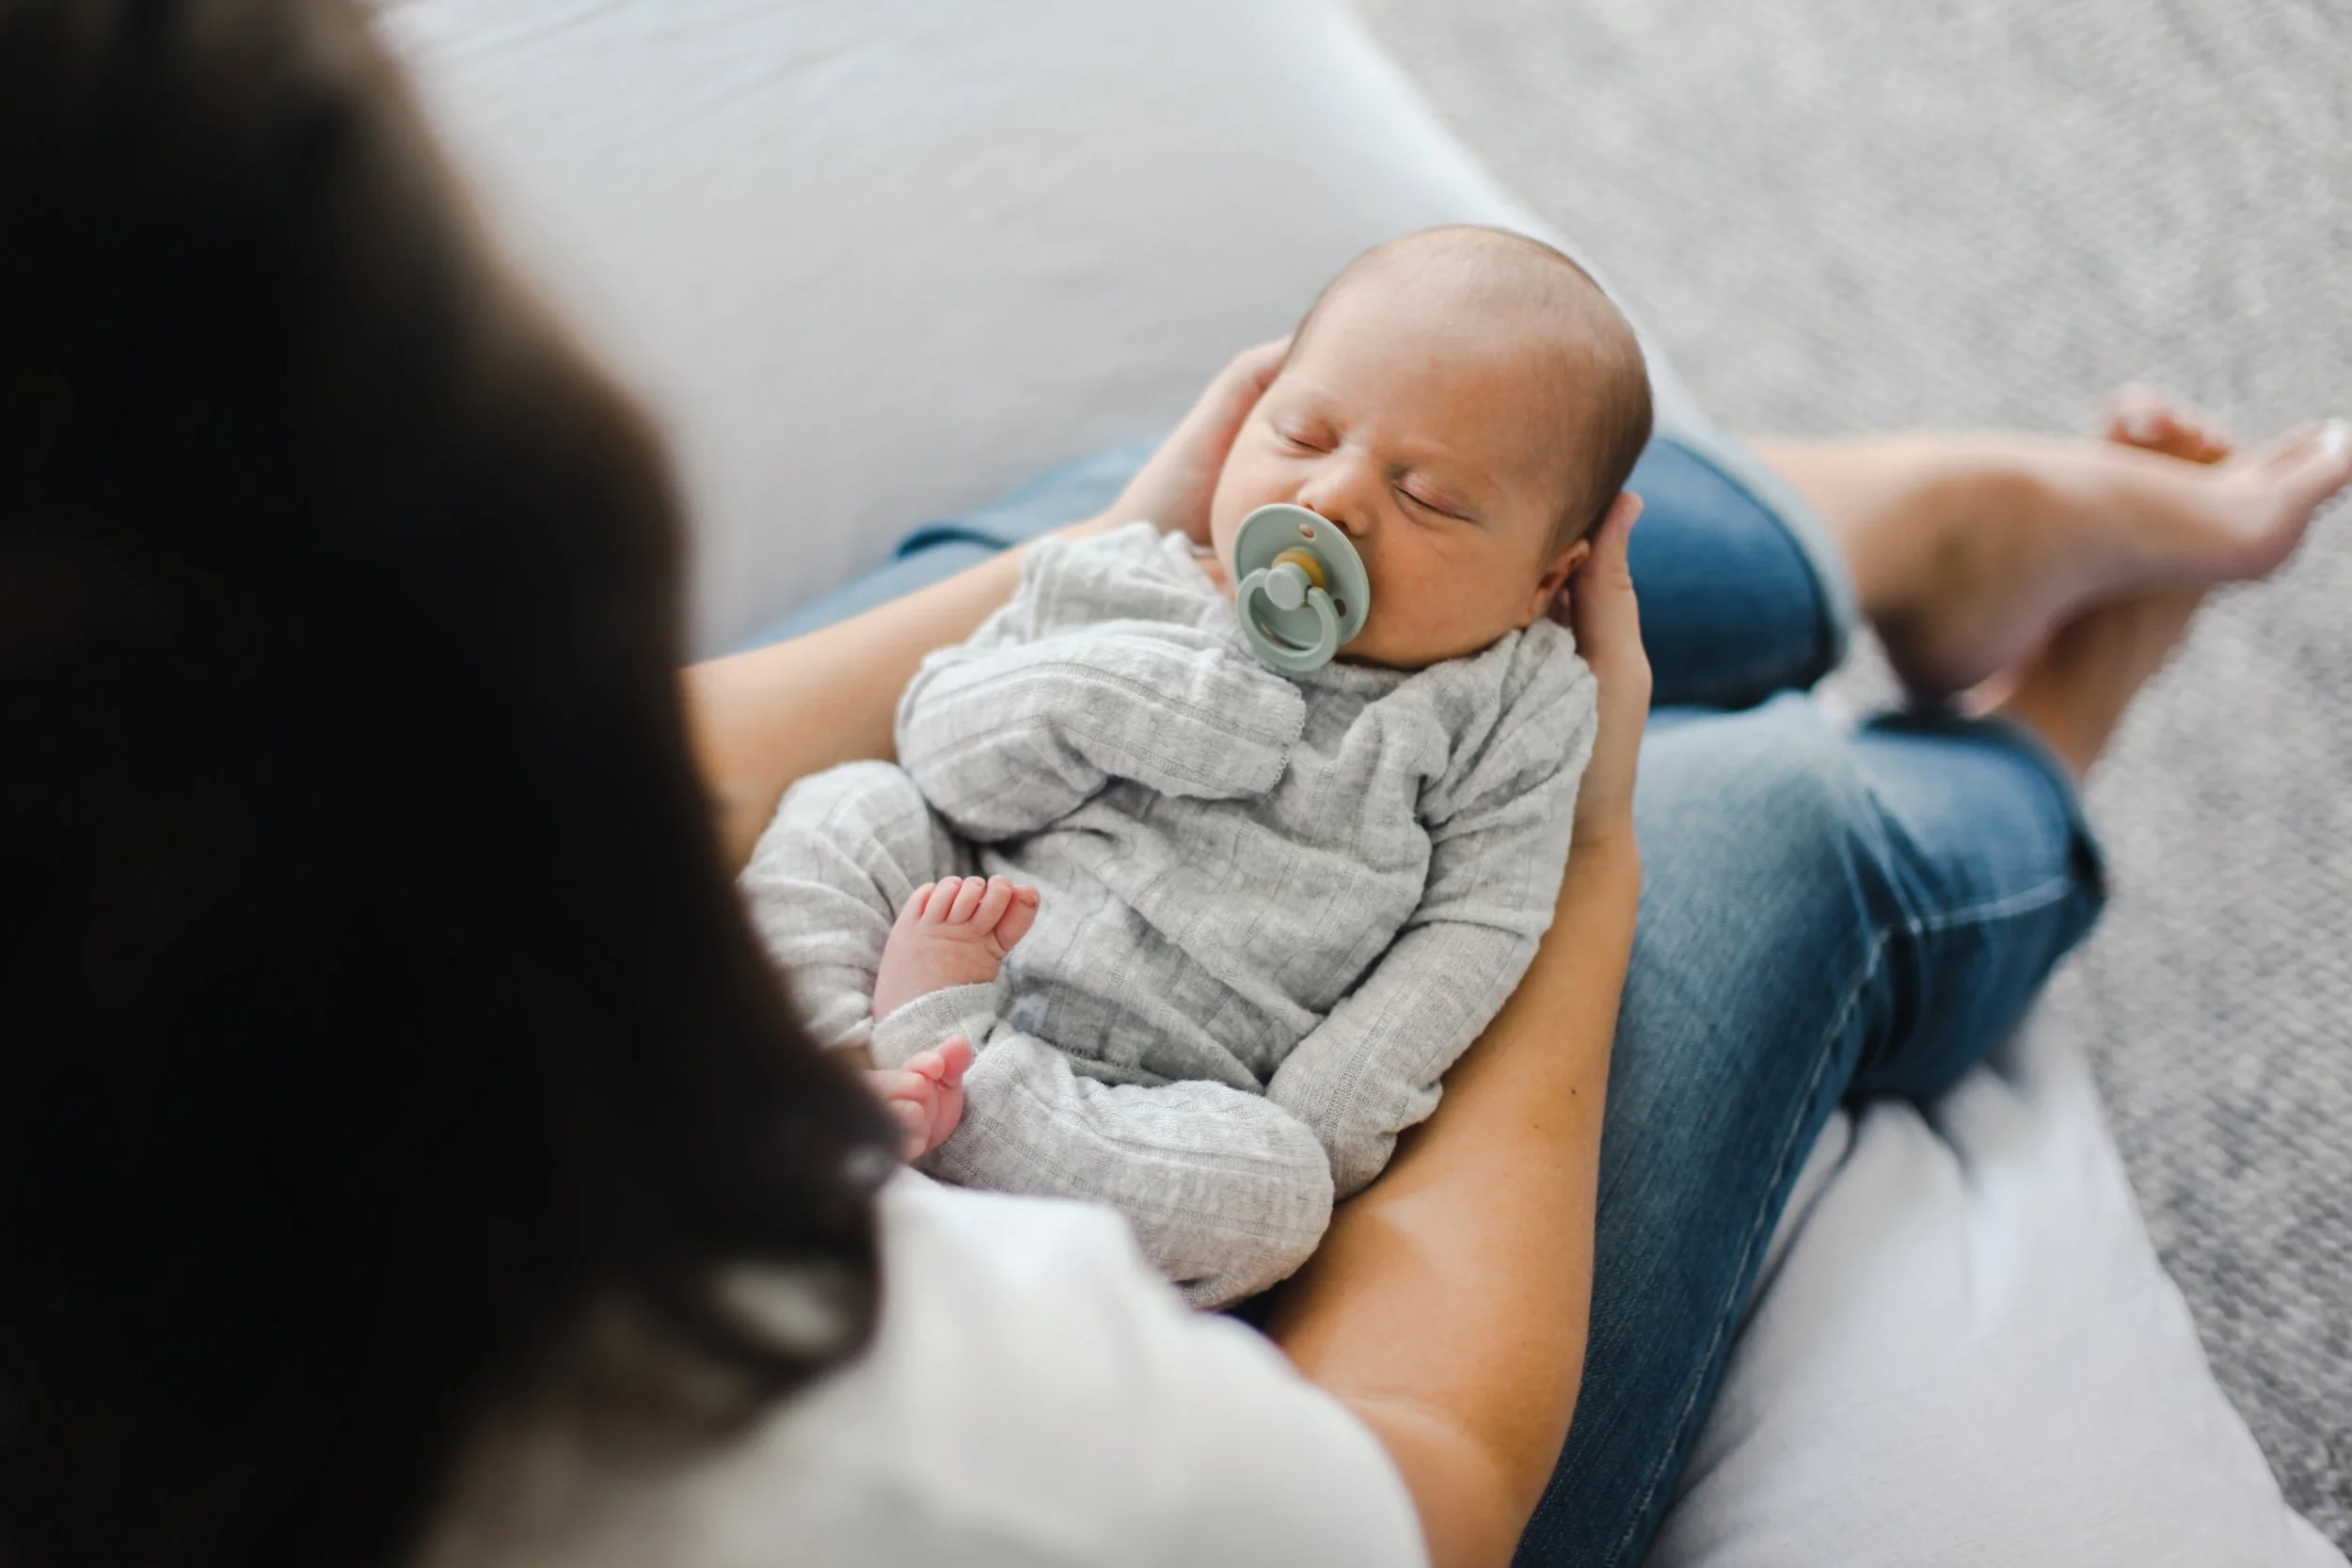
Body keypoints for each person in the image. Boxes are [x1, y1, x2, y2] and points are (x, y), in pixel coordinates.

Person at [6, 5, 2347, 1568]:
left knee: (1223, 502)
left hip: (1070, 813)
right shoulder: (864, 1448)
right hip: (1170, 1188)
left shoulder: (197, 853)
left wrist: (1096, 574)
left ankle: (1880, 528)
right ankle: (2038, 743)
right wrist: (1586, 843)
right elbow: (1417, 1476)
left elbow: (698, 756)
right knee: (1776, 834)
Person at [741, 226, 1642, 1307]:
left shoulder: (1508, 709)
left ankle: (957, 1102)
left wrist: (1330, 1108)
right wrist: (1119, 694)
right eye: (1302, 434)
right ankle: (837, 1069)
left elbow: (1480, 919)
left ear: (1546, 582)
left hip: (1153, 1100)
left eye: (1429, 496)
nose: (1331, 499)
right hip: (959, 921)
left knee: (1282, 1191)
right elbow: (948, 761)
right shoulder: (1136, 577)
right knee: (851, 806)